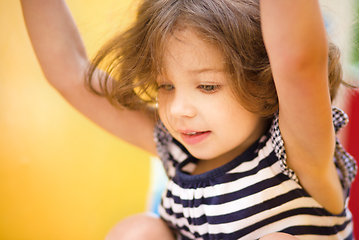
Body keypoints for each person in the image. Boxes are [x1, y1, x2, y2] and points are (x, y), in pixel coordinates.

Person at [20, 0, 357, 239]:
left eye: (207, 86)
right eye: (166, 85)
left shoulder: (297, 156)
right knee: (139, 232)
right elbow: (70, 73)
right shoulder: (177, 150)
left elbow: (298, 64)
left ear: (265, 81)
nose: (178, 108)